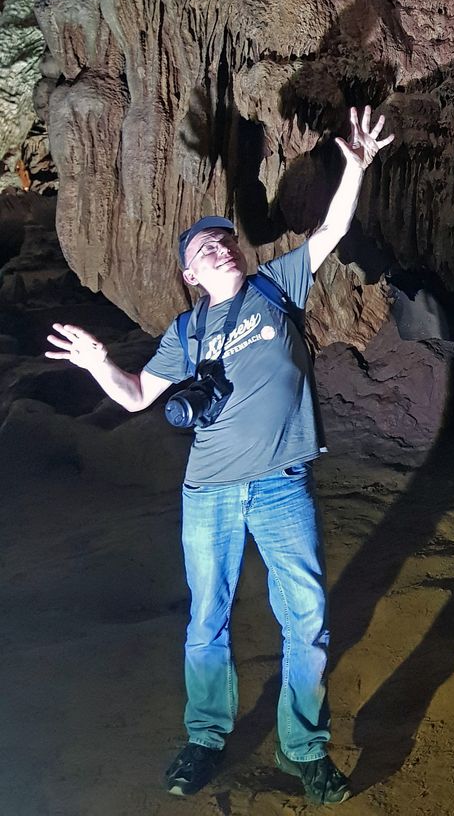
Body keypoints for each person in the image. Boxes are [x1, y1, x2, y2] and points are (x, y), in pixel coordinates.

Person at [46, 106, 393, 802]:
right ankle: (205, 736)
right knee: (208, 619)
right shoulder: (184, 329)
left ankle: (305, 748)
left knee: (306, 621)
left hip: (280, 484)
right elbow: (140, 396)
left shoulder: (276, 288)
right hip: (208, 490)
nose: (223, 249)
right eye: (206, 250)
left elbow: (331, 230)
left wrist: (353, 168)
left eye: (226, 241)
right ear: (190, 275)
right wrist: (96, 364)